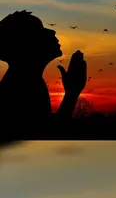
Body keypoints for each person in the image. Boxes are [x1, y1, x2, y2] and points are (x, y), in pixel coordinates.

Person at [0, 10, 87, 138]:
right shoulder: (22, 84)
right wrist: (72, 94)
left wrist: (72, 92)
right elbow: (47, 136)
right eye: (38, 29)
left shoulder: (24, 78)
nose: (52, 31)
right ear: (24, 44)